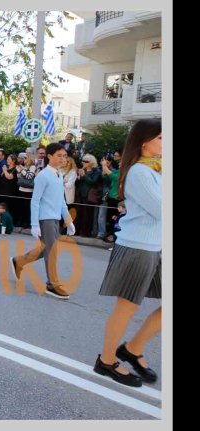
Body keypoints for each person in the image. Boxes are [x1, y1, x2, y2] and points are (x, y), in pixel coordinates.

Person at [94, 119, 161, 387]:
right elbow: (161, 209)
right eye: (161, 138)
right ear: (144, 142)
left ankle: (133, 349)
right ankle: (107, 360)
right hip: (137, 247)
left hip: (156, 246)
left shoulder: (157, 169)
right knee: (127, 307)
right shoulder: (140, 172)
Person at [10, 143, 76, 299]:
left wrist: (68, 221)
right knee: (52, 251)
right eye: (59, 156)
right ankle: (52, 284)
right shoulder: (43, 175)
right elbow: (35, 201)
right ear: (49, 156)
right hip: (45, 218)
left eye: (64, 156)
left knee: (46, 249)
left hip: (55, 218)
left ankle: (18, 262)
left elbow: (61, 201)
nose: (62, 159)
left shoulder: (59, 174)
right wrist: (34, 224)